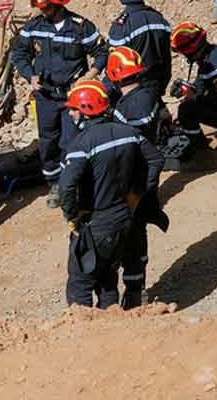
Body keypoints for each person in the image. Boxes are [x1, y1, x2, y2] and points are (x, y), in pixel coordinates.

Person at [58, 80, 164, 309]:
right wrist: (141, 193)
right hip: (125, 219)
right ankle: (113, 331)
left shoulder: (81, 144)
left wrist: (71, 216)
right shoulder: (129, 133)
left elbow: (66, 186)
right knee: (107, 279)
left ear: (85, 110)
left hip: (96, 224)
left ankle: (86, 337)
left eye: (74, 108)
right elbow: (156, 159)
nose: (71, 113)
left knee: (80, 283)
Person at [12, 0, 108, 208]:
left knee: (70, 141)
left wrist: (90, 76)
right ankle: (54, 182)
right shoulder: (34, 27)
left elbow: (102, 52)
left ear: (58, 4)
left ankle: (71, 185)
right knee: (48, 142)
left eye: (46, 7)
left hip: (71, 97)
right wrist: (29, 75)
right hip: (45, 96)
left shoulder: (81, 26)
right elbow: (20, 54)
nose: (43, 12)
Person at [106, 47, 170, 308]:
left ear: (114, 76)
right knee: (138, 231)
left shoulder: (127, 109)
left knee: (127, 234)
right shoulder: (151, 94)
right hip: (145, 176)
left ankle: (129, 294)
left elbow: (124, 145)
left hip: (129, 177)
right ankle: (136, 288)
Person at [107, 0, 172, 98]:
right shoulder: (159, 19)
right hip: (156, 88)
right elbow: (167, 60)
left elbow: (115, 66)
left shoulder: (121, 26)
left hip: (132, 91)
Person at [170, 21, 217, 143]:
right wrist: (188, 88)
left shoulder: (215, 62)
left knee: (186, 110)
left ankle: (201, 150)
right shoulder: (212, 53)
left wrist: (196, 98)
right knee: (188, 104)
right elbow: (201, 84)